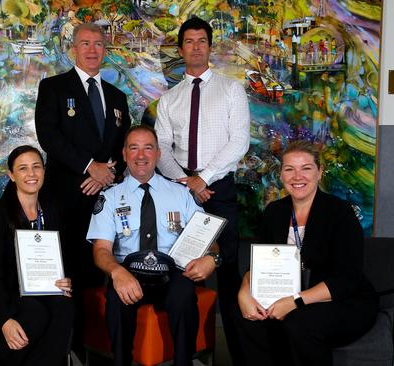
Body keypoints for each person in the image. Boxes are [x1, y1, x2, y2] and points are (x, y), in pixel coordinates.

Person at [154, 16, 250, 364]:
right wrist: (185, 183)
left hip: (218, 189)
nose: (195, 47)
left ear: (210, 47)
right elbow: (161, 147)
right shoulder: (169, 99)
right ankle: (187, 353)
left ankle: (237, 356)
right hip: (179, 190)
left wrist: (204, 179)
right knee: (182, 270)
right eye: (189, 42)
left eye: (202, 41)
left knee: (225, 272)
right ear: (181, 50)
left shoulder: (230, 89)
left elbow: (239, 141)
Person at [87, 125, 220, 366]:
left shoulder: (182, 193)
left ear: (158, 153)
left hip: (173, 273)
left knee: (184, 296)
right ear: (124, 154)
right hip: (128, 272)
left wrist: (211, 258)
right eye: (134, 148)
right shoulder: (110, 197)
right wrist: (117, 272)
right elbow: (101, 250)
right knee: (117, 301)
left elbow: (211, 241)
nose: (141, 156)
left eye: (148, 148)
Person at [236, 140, 378, 366]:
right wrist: (244, 293)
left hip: (344, 300)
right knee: (248, 319)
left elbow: (346, 280)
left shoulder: (340, 213)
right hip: (287, 296)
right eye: (289, 169)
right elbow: (257, 264)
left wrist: (294, 301)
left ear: (319, 172)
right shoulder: (274, 212)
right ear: (281, 174)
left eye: (306, 168)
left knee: (298, 322)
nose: (297, 176)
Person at [35, 22, 131, 352]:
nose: (92, 50)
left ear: (106, 49)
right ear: (73, 49)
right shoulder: (53, 88)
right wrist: (91, 168)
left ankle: (94, 347)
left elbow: (123, 147)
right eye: (85, 43)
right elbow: (49, 137)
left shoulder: (118, 98)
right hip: (65, 199)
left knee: (98, 275)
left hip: (104, 203)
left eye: (99, 44)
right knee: (68, 276)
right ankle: (66, 347)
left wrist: (107, 173)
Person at [0, 145, 74, 366]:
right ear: (11, 175)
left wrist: (65, 279)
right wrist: (4, 320)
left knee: (65, 307)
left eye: (36, 167)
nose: (31, 174)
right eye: (23, 168)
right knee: (35, 315)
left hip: (33, 290)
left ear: (44, 171)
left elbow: (62, 257)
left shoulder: (52, 211)